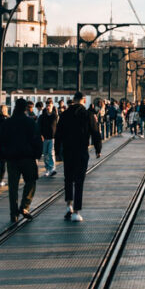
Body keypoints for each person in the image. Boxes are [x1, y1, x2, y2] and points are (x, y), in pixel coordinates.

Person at [55, 90, 102, 222]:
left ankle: (68, 205)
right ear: (84, 100)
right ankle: (76, 211)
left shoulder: (64, 115)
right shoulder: (88, 114)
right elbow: (95, 133)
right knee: (79, 181)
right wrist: (98, 149)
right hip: (81, 150)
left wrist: (57, 150)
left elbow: (58, 134)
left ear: (73, 99)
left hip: (67, 150)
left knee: (68, 178)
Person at [0, 98, 43, 222]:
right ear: (25, 108)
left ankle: (13, 213)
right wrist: (37, 155)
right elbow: (37, 140)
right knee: (31, 181)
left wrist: (2, 155)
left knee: (13, 187)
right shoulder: (30, 123)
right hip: (28, 158)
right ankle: (24, 206)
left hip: (12, 159)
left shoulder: (7, 123)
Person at [39, 97, 59, 177]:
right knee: (45, 154)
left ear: (52, 106)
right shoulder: (42, 116)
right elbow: (39, 126)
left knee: (51, 153)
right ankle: (47, 169)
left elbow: (58, 126)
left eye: (49, 105)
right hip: (44, 137)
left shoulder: (55, 116)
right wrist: (40, 135)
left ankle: (52, 169)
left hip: (52, 137)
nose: (48, 107)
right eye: (47, 105)